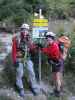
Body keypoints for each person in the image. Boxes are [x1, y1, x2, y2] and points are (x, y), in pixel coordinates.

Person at [12, 23, 40, 97]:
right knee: (19, 73)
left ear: (28, 31)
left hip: (27, 58)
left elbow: (32, 49)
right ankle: (20, 88)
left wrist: (36, 48)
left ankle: (33, 86)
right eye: (23, 29)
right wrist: (14, 60)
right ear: (21, 30)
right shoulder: (17, 39)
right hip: (19, 58)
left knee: (31, 72)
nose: (25, 31)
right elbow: (14, 50)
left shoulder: (29, 39)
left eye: (26, 30)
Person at [38, 32, 64, 96]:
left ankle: (58, 92)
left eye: (49, 39)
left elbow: (48, 52)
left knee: (57, 78)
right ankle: (56, 90)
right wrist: (42, 48)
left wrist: (41, 48)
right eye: (47, 39)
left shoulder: (54, 45)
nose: (48, 40)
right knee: (55, 78)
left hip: (58, 63)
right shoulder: (50, 45)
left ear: (52, 39)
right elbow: (47, 50)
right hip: (54, 63)